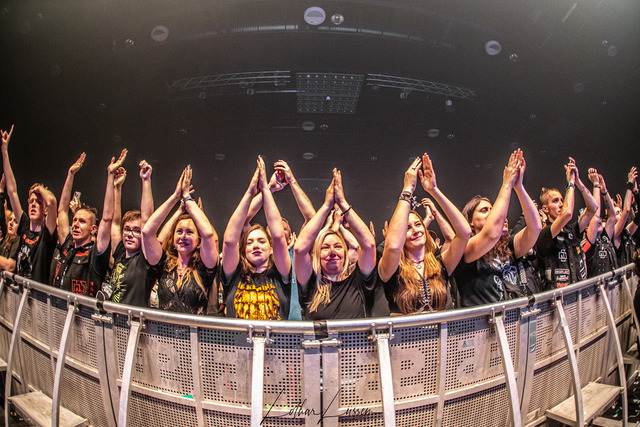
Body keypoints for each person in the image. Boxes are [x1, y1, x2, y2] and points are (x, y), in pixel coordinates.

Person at [378, 155, 470, 314]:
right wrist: (407, 189)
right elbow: (393, 246)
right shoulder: (392, 268)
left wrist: (434, 190)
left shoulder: (440, 263)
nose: (415, 230)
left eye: (418, 224)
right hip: (405, 331)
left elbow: (464, 232)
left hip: (440, 330)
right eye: (407, 228)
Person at [454, 149, 542, 306]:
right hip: (483, 321)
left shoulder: (507, 246)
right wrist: (507, 184)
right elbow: (491, 234)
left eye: (493, 209)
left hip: (512, 318)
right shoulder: (465, 249)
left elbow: (535, 227)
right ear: (471, 221)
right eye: (484, 210)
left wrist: (519, 187)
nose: (493, 213)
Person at [293, 168, 376, 320]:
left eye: (338, 246)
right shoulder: (310, 284)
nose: (332, 252)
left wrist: (343, 203)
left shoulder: (358, 282)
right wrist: (326, 206)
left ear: (345, 252)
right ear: (317, 254)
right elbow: (299, 250)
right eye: (325, 247)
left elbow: (369, 245)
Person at [243, 160, 316, 320]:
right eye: (274, 229)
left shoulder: (298, 254)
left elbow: (312, 219)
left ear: (290, 235)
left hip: (294, 326)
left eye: (284, 229)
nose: (279, 232)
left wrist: (292, 181)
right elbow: (242, 220)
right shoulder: (258, 260)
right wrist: (269, 188)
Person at [141, 166, 219, 314]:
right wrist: (176, 196)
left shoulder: (204, 267)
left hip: (194, 330)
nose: (183, 236)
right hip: (162, 329)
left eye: (189, 232)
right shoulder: (163, 264)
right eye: (179, 232)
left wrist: (188, 198)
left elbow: (208, 234)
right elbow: (147, 231)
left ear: (198, 240)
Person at [222, 157, 291, 320]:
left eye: (261, 241)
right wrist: (250, 192)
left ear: (271, 248)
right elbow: (230, 240)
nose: (256, 245)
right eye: (250, 242)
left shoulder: (279, 274)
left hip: (274, 338)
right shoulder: (235, 274)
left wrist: (266, 189)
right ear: (243, 249)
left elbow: (278, 237)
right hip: (238, 338)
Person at [51, 150, 126, 297]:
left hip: (83, 311)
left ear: (93, 229)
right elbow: (62, 211)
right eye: (75, 220)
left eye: (82, 221)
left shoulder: (95, 254)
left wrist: (110, 176)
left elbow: (107, 218)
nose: (76, 224)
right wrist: (70, 175)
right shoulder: (68, 245)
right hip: (58, 309)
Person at [1, 125, 58, 283]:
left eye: (38, 202)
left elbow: (52, 201)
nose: (33, 204)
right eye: (31, 201)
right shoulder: (25, 225)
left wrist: (39, 189)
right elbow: (12, 191)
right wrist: (4, 151)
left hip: (38, 296)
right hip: (20, 292)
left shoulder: (47, 233)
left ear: (45, 210)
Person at [536, 157, 598, 288]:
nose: (561, 204)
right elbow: (567, 213)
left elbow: (593, 208)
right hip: (556, 298)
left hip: (578, 294)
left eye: (562, 200)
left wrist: (578, 182)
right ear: (545, 209)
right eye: (555, 201)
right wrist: (570, 183)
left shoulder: (572, 230)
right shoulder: (544, 234)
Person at [107, 161, 162, 306]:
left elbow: (147, 221)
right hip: (113, 317)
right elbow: (115, 222)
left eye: (137, 231)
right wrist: (117, 188)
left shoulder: (144, 261)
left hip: (133, 319)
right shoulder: (120, 252)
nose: (130, 234)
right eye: (127, 229)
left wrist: (146, 180)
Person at [582, 169, 618, 277]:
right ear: (586, 228)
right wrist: (596, 185)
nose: (599, 220)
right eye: (594, 222)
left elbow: (612, 216)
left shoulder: (605, 238)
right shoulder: (589, 242)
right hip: (596, 287)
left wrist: (604, 191)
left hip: (612, 285)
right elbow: (596, 215)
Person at [613, 167, 637, 266]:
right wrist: (630, 185)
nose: (621, 214)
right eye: (617, 213)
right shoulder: (614, 234)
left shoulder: (626, 232)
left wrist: (636, 192)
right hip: (622, 275)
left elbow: (638, 219)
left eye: (620, 211)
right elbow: (626, 211)